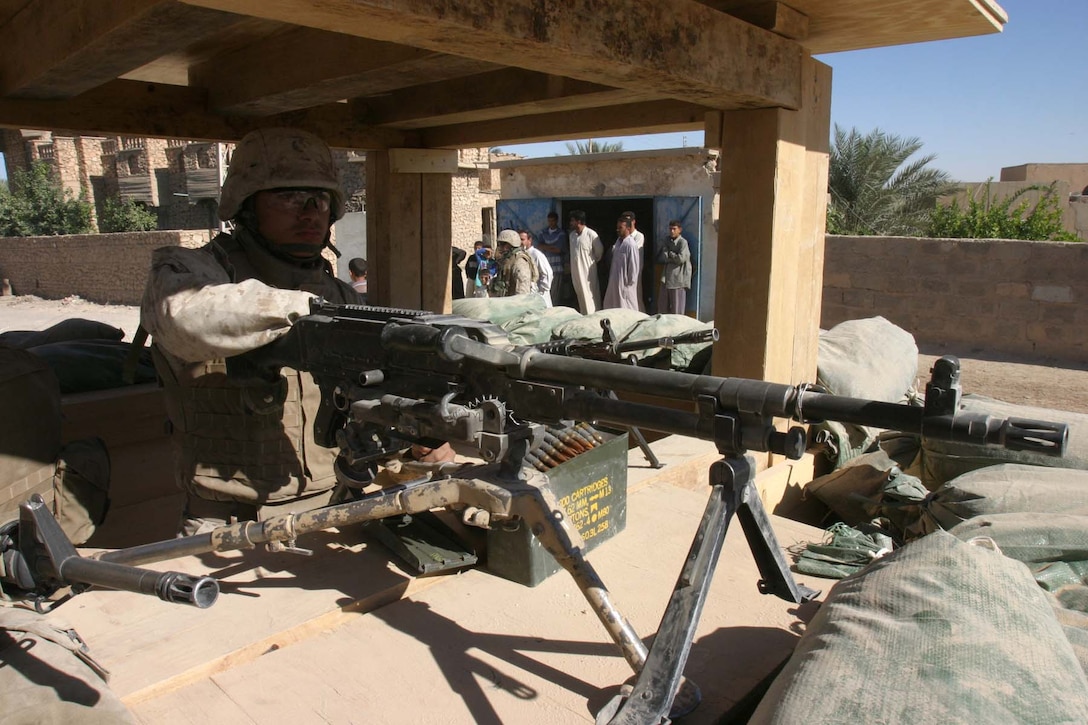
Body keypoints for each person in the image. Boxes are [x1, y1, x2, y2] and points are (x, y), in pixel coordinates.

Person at [140, 127, 366, 536]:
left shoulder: (340, 293)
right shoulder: (193, 273)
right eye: (289, 197)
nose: (310, 212)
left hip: (335, 509)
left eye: (321, 200)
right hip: (227, 526)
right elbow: (182, 317)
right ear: (245, 205)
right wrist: (305, 310)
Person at [567, 210, 603, 314]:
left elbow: (599, 252)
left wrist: (589, 263)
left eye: (572, 221)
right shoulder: (572, 235)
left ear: (578, 221)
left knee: (590, 294)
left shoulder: (591, 234)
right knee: (580, 294)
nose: (570, 223)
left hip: (587, 272)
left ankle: (594, 316)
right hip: (576, 272)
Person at [602, 215, 640, 310]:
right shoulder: (618, 243)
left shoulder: (630, 244)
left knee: (626, 308)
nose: (618, 230)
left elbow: (634, 267)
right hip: (614, 282)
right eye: (617, 227)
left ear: (628, 228)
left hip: (625, 285)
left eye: (620, 228)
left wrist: (629, 284)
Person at [656, 219, 692, 315]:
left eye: (674, 229)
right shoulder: (667, 241)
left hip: (678, 279)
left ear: (679, 230)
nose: (672, 231)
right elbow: (665, 257)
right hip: (666, 278)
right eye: (670, 229)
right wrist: (672, 257)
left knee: (677, 310)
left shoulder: (682, 242)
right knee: (663, 308)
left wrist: (671, 254)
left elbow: (681, 259)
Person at [491, 229, 537, 297]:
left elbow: (522, 290)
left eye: (502, 244)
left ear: (509, 245)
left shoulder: (520, 261)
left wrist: (518, 303)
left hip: (517, 303)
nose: (500, 247)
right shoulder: (507, 260)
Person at [537, 211, 567, 306]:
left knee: (555, 293)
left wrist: (545, 246)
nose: (551, 223)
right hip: (545, 267)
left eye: (552, 221)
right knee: (545, 291)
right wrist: (551, 247)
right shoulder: (543, 232)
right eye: (549, 221)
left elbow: (558, 249)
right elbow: (539, 246)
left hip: (557, 267)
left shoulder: (561, 233)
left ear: (556, 221)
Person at [519, 229, 553, 307]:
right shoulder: (520, 255)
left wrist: (540, 291)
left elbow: (547, 273)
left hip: (539, 296)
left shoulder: (536, 255)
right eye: (519, 239)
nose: (520, 242)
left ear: (529, 240)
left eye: (522, 239)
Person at [622, 211, 646, 312]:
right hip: (623, 272)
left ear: (634, 222)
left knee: (636, 295)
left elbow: (633, 250)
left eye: (629, 221)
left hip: (635, 271)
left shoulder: (639, 236)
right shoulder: (622, 238)